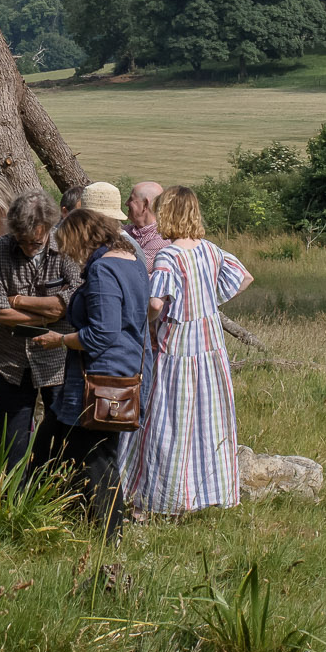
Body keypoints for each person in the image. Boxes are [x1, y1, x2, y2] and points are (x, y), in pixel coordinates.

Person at [132, 186, 252, 515]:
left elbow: (156, 302)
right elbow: (243, 277)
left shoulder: (170, 255)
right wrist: (207, 302)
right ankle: (211, 492)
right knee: (209, 419)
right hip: (210, 344)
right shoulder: (211, 250)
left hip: (178, 346)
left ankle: (165, 497)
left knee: (169, 420)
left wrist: (148, 321)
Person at [32, 206, 148, 533]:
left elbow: (103, 332)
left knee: (95, 456)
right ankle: (86, 520)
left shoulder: (104, 269)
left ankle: (108, 533)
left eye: (70, 244)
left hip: (100, 378)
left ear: (83, 237)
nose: (69, 253)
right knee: (73, 445)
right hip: (120, 371)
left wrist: (61, 339)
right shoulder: (132, 260)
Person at [0, 192, 79, 471]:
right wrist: (47, 312)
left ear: (47, 227)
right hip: (11, 361)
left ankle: (54, 496)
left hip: (57, 361)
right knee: (12, 443)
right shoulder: (0, 249)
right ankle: (14, 500)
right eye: (21, 241)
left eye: (34, 241)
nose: (27, 248)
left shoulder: (67, 246)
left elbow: (71, 301)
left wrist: (19, 301)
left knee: (61, 438)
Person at [126, 181, 167, 262]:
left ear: (145, 204)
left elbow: (137, 267)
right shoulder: (127, 230)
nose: (126, 203)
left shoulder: (160, 238)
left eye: (131, 199)